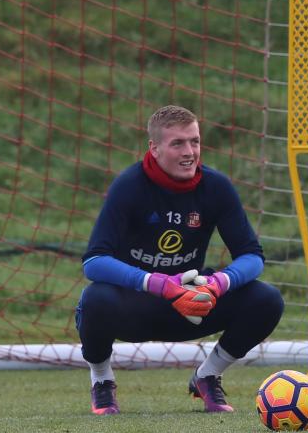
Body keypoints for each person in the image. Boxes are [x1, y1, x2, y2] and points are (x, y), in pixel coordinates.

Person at [76, 105, 284, 415]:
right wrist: (160, 284)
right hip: (136, 307)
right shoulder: (129, 186)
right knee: (94, 300)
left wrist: (217, 283)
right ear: (155, 148)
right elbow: (94, 262)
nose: (190, 152)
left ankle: (208, 376)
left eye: (195, 141)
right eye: (178, 143)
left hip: (191, 308)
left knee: (267, 299)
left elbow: (252, 257)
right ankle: (102, 382)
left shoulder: (217, 188)